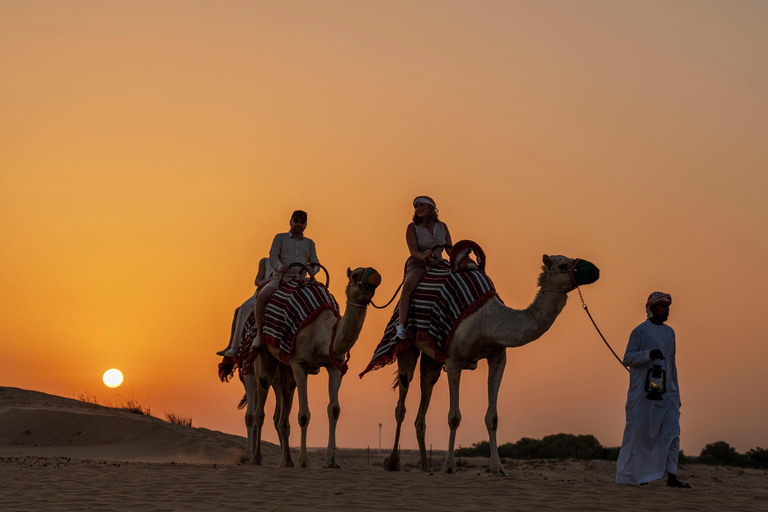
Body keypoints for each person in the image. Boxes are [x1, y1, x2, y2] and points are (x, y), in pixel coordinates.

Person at [616, 291, 690, 488]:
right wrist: (649, 354)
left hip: (668, 391)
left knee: (673, 432)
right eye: (663, 307)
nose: (667, 311)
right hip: (643, 393)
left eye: (668, 307)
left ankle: (672, 477)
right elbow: (627, 358)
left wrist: (676, 392)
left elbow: (672, 363)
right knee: (638, 436)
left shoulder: (670, 333)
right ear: (652, 308)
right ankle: (630, 477)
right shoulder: (640, 331)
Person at [251, 209, 320, 351]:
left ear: (306, 225)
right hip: (280, 279)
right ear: (290, 222)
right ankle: (258, 334)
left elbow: (315, 262)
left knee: (323, 297)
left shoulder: (310, 243)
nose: (299, 224)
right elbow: (273, 257)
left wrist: (312, 270)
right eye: (296, 221)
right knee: (261, 298)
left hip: (301, 280)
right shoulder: (280, 238)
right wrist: (280, 267)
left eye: (302, 222)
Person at [394, 196, 452, 340]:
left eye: (421, 205)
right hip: (419, 263)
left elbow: (449, 249)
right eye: (416, 206)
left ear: (430, 207)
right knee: (408, 286)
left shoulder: (442, 226)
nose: (417, 208)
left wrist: (461, 256)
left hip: (439, 263)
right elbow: (413, 251)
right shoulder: (412, 227)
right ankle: (401, 327)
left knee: (456, 280)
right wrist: (423, 256)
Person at [216, 257, 273, 357]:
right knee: (240, 309)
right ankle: (233, 345)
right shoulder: (266, 262)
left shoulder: (287, 262)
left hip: (276, 291)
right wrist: (262, 282)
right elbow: (257, 281)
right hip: (262, 291)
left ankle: (234, 346)